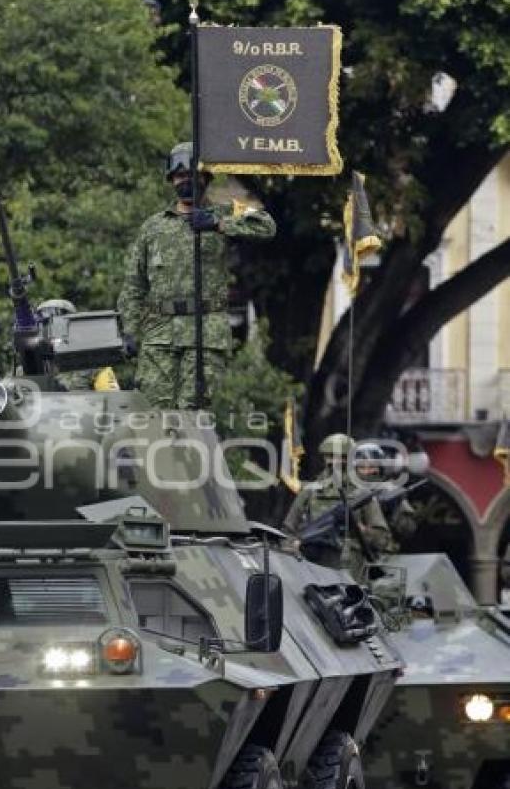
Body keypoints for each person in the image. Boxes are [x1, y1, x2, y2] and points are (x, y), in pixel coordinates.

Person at [117, 142, 275, 409]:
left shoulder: (224, 212)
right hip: (159, 335)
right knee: (154, 410)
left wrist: (218, 224)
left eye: (191, 174)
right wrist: (129, 331)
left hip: (204, 332)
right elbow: (134, 286)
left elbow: (267, 225)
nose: (185, 181)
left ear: (205, 178)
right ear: (171, 180)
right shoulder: (154, 227)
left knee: (191, 413)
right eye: (179, 176)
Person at [284, 433, 392, 573]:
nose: (335, 462)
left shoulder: (362, 494)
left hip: (348, 567)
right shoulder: (310, 492)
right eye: (331, 457)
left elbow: (382, 539)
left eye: (342, 457)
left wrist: (360, 528)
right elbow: (287, 531)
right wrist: (295, 545)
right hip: (310, 564)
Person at [354, 441, 417, 552]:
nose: (368, 471)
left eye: (373, 466)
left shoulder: (389, 490)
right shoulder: (351, 492)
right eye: (362, 467)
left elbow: (408, 530)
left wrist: (395, 510)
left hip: (384, 552)